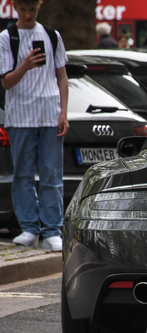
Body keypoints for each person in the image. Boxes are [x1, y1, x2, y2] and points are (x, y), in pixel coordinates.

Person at [0, 0, 69, 251]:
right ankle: (29, 227)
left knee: (51, 175)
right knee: (23, 175)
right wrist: (26, 65)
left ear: (39, 6)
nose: (28, 14)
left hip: (50, 114)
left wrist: (64, 113)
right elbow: (6, 82)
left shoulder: (52, 35)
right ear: (16, 7)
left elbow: (62, 76)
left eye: (33, 9)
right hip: (20, 116)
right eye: (23, 9)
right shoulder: (7, 38)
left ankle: (52, 230)